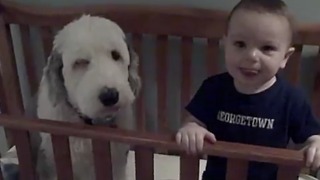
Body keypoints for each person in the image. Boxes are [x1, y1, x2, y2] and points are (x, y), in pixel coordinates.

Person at [175, 0, 320, 180]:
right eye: (240, 44)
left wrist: (316, 143)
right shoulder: (213, 88)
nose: (251, 56)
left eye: (267, 48)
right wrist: (191, 128)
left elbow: (312, 135)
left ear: (285, 57)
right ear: (225, 45)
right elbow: (194, 120)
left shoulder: (292, 99)